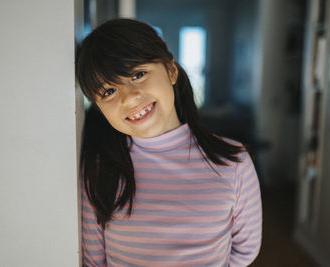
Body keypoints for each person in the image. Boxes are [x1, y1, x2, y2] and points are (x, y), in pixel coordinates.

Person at [75, 18, 262, 267]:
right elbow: (93, 261)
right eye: (108, 91)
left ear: (170, 71)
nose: (129, 98)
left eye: (138, 75)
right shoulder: (98, 170)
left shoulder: (234, 162)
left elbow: (244, 252)